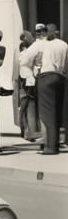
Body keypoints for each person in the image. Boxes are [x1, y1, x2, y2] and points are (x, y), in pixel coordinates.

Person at [36, 22, 66, 156]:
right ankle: (57, 143)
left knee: (47, 114)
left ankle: (50, 147)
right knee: (58, 111)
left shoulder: (42, 44)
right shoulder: (64, 45)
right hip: (61, 77)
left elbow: (26, 59)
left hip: (46, 76)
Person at [17, 30, 42, 142]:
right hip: (27, 83)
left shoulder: (24, 54)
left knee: (24, 109)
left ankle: (27, 132)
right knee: (28, 109)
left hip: (26, 83)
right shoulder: (29, 54)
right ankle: (29, 132)